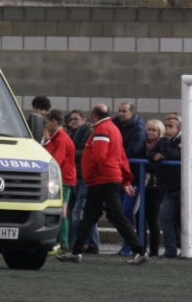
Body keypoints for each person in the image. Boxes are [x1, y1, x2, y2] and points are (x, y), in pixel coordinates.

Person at [58, 104, 149, 265]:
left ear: (94, 115)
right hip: (105, 179)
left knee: (112, 216)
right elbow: (121, 156)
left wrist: (91, 174)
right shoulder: (113, 129)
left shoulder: (102, 130)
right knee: (90, 216)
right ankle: (76, 251)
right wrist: (126, 179)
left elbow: (99, 156)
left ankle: (140, 251)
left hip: (102, 180)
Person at [114, 101, 147, 256]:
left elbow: (133, 151)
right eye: (120, 111)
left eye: (124, 111)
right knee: (122, 212)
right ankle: (129, 245)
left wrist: (115, 153)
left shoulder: (138, 130)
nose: (121, 113)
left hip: (133, 177)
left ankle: (132, 246)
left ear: (132, 113)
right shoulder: (117, 124)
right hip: (122, 176)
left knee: (127, 211)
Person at [149, 115, 183, 258]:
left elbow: (173, 155)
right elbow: (150, 154)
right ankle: (171, 250)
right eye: (166, 126)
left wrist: (164, 146)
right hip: (168, 187)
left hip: (183, 187)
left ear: (179, 128)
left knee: (181, 219)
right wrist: (155, 155)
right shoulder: (164, 140)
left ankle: (183, 247)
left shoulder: (186, 140)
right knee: (165, 217)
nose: (167, 129)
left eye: (171, 126)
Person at [42, 109, 75, 255]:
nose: (46, 124)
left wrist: (47, 140)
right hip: (63, 179)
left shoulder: (61, 139)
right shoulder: (58, 137)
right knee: (62, 211)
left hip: (64, 180)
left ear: (55, 121)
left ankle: (64, 245)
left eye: (48, 121)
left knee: (62, 212)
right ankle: (62, 244)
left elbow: (55, 160)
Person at [67, 109, 99, 253]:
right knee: (81, 214)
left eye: (76, 119)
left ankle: (84, 244)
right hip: (76, 177)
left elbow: (86, 151)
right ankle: (89, 243)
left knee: (78, 214)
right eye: (71, 119)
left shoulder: (87, 132)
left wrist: (70, 153)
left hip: (84, 178)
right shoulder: (73, 133)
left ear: (85, 120)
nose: (73, 122)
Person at [143, 118, 165, 257]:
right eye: (149, 130)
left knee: (152, 218)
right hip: (143, 184)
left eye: (154, 130)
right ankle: (141, 247)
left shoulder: (162, 144)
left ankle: (154, 250)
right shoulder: (143, 144)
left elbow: (157, 163)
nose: (150, 132)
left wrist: (150, 162)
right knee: (140, 217)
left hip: (155, 186)